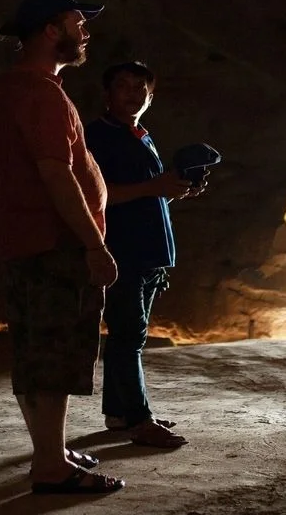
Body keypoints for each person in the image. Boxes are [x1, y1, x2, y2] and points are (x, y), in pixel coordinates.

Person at [0, 0, 125, 494]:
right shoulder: (42, 93)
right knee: (56, 354)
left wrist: (15, 212)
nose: (86, 32)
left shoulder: (3, 91)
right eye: (79, 23)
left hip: (27, 241)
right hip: (58, 246)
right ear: (51, 31)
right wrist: (93, 244)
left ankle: (49, 452)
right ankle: (51, 469)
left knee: (34, 350)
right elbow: (57, 173)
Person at [84, 61, 207, 448]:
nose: (134, 94)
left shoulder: (138, 134)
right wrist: (156, 185)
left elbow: (146, 191)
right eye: (124, 86)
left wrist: (172, 188)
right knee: (128, 335)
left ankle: (119, 413)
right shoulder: (97, 137)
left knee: (128, 334)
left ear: (150, 98)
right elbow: (99, 193)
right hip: (123, 250)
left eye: (142, 88)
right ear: (107, 95)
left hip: (148, 251)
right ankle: (139, 420)